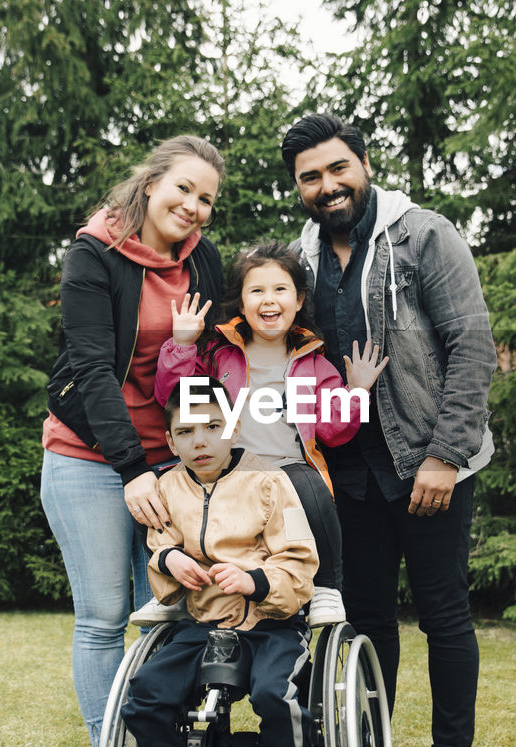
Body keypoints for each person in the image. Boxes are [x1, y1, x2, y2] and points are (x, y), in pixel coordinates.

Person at [280, 112, 497, 747]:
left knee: (442, 615)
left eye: (337, 168)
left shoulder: (422, 235)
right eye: (310, 176)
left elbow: (471, 346)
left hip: (429, 467)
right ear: (298, 187)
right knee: (366, 617)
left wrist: (444, 453)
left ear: (364, 163)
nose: (327, 185)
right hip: (347, 474)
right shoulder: (300, 260)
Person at [40, 136, 225, 747]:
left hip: (169, 463)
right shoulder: (95, 254)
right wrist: (132, 469)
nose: (193, 206)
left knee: (169, 613)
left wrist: (202, 460)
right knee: (103, 616)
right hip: (89, 456)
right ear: (151, 184)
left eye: (206, 199)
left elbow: (206, 366)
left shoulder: (204, 262)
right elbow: (93, 369)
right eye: (184, 189)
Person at [114, 377, 331, 747]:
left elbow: (299, 562)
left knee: (276, 697)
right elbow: (158, 543)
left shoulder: (268, 483)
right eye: (186, 432)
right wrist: (170, 559)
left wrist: (255, 580)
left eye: (213, 426)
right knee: (146, 693)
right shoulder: (168, 488)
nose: (201, 441)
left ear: (233, 427)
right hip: (202, 623)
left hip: (270, 622)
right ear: (170, 442)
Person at [154, 241, 387, 622]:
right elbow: (175, 400)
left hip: (284, 475)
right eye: (257, 290)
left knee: (312, 487)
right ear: (241, 304)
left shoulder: (314, 364)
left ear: (298, 300)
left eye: (280, 290)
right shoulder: (218, 356)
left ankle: (327, 587)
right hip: (226, 471)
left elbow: (333, 431)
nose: (269, 300)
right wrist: (182, 344)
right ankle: (176, 586)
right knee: (164, 484)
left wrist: (357, 391)